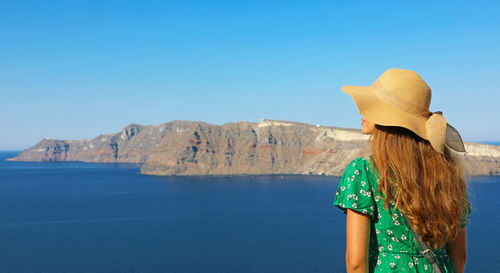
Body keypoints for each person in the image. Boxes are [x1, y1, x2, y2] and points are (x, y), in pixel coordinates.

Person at [333, 68, 470, 273]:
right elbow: (459, 256)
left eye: (371, 106)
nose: (361, 111)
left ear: (389, 119)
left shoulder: (364, 172)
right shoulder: (448, 174)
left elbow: (355, 262)